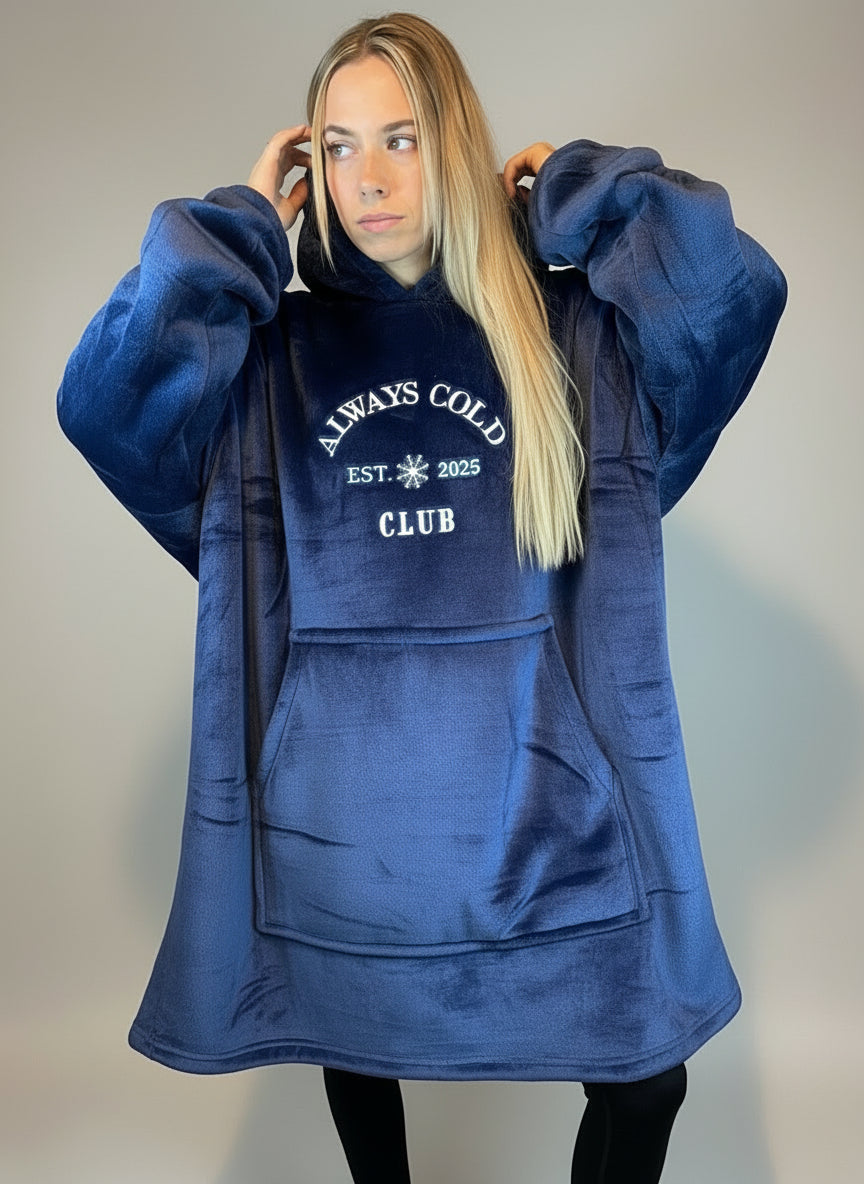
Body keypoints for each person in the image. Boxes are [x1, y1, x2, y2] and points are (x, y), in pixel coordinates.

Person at [55, 11, 787, 1183]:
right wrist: (236, 232)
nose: (369, 179)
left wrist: (583, 193)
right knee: (358, 1042)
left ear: (452, 142)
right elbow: (107, 402)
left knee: (647, 1075)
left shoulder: (571, 334)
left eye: (400, 138)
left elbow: (725, 298)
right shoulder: (272, 358)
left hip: (550, 814)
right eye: (337, 147)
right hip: (344, 813)